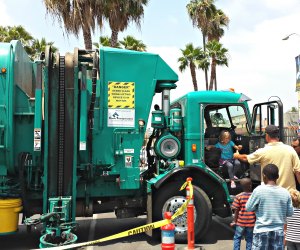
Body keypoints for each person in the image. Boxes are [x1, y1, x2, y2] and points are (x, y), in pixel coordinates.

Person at [234, 125, 300, 191]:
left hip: (270, 194)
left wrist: (237, 155)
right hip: (289, 194)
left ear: (267, 135)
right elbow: (298, 172)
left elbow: (246, 158)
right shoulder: (290, 149)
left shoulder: (263, 151)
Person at [246, 164, 294, 250]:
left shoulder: (258, 190)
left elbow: (248, 207)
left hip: (261, 231)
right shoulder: (285, 192)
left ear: (264, 176)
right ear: (278, 176)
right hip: (278, 232)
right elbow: (290, 213)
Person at [231, 178, 256, 250]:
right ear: (251, 185)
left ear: (241, 186)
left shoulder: (238, 196)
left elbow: (236, 211)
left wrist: (234, 221)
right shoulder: (254, 196)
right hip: (251, 223)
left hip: (240, 223)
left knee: (237, 238)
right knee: (249, 239)